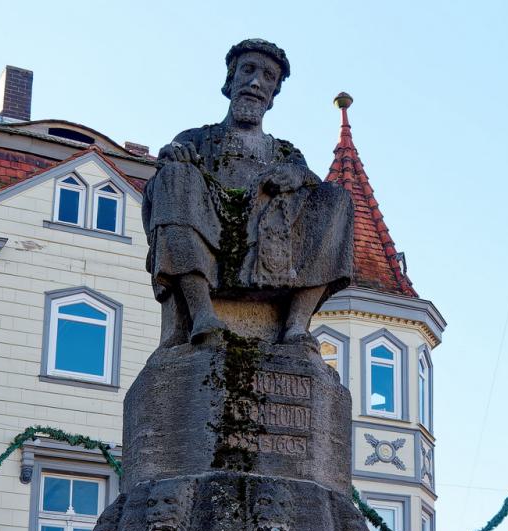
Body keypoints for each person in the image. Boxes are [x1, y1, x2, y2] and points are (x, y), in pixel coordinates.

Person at [142, 38, 353, 346]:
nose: (256, 82)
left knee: (337, 198)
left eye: (268, 77)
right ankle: (201, 313)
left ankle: (295, 325)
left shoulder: (285, 152)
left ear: (273, 95)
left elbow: (313, 192)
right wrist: (174, 157)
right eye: (249, 70)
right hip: (209, 230)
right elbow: (158, 187)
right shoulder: (196, 138)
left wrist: (296, 176)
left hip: (271, 240)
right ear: (231, 79)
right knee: (174, 176)